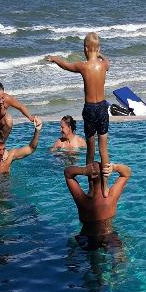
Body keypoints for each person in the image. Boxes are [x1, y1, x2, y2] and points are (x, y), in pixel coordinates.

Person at [45, 32, 111, 196]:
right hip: (102, 108)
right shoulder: (104, 65)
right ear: (98, 48)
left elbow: (66, 65)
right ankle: (105, 187)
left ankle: (91, 188)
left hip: (90, 109)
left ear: (85, 48)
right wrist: (100, 54)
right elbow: (108, 62)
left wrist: (55, 58)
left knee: (90, 152)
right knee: (104, 150)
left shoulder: (83, 66)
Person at [64, 161, 131, 251]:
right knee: (120, 255)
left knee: (75, 247)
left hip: (86, 236)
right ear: (104, 176)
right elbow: (127, 173)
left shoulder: (82, 200)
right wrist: (114, 167)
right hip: (108, 235)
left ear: (89, 176)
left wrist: (83, 170)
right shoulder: (111, 197)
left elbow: (67, 173)